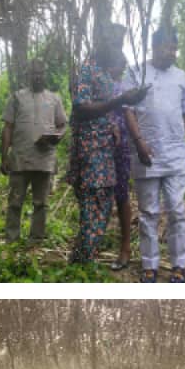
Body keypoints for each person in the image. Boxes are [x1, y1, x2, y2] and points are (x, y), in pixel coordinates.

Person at [123, 26, 185, 283]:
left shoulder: (180, 76)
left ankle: (179, 265)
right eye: (168, 47)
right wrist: (139, 143)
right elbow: (127, 110)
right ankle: (150, 264)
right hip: (146, 153)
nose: (172, 52)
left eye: (174, 48)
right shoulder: (136, 72)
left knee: (177, 210)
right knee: (148, 212)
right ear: (155, 47)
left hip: (176, 154)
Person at [67, 31, 148, 263]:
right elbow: (81, 108)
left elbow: (108, 108)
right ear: (101, 43)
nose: (117, 48)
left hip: (106, 150)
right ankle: (82, 263)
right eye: (113, 43)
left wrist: (115, 121)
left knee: (102, 202)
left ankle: (84, 259)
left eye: (120, 44)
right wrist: (120, 101)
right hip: (91, 149)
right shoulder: (86, 71)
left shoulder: (104, 73)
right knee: (93, 201)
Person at [0, 60, 67, 244]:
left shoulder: (54, 99)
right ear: (28, 75)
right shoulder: (17, 97)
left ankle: (36, 240)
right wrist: (4, 155)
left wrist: (57, 136)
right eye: (34, 73)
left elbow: (62, 125)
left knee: (41, 203)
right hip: (20, 158)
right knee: (15, 202)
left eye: (40, 73)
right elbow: (8, 127)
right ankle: (11, 240)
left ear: (45, 74)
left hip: (44, 159)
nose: (37, 77)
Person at [107, 51, 133, 270]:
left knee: (122, 196)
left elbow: (130, 115)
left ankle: (125, 248)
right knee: (100, 196)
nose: (119, 69)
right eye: (117, 65)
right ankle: (95, 243)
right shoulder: (97, 85)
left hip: (120, 148)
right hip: (98, 147)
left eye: (122, 66)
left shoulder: (124, 88)